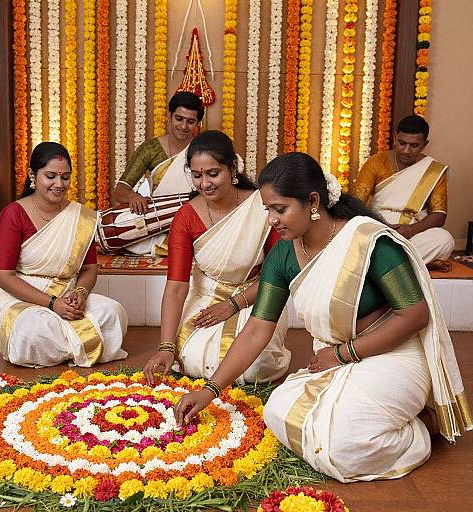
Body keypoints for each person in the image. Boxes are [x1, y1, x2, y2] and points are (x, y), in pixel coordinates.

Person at [175, 152, 472, 483]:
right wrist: (212, 388)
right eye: (267, 210)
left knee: (343, 446)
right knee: (277, 410)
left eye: (280, 209)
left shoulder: (366, 240)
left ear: (312, 201)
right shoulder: (284, 254)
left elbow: (415, 314)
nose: (271, 219)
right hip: (336, 358)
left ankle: (421, 427)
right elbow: (257, 328)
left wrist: (344, 354)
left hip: (393, 352)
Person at [144, 131, 290, 385]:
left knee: (255, 365)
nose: (205, 183)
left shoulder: (261, 207)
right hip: (206, 297)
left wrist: (233, 304)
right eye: (197, 175)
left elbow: (278, 276)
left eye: (213, 174)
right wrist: (166, 346)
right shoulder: (186, 216)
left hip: (258, 295)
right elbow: (177, 287)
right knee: (190, 357)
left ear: (232, 167)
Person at [0, 142, 128, 367]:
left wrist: (81, 293)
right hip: (23, 299)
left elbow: (89, 269)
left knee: (113, 312)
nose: (59, 184)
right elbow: (3, 276)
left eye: (65, 177)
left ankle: (62, 349)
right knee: (33, 330)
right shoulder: (13, 215)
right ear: (32, 175)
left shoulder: (80, 216)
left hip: (68, 294)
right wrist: (52, 303)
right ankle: (79, 347)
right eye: (51, 176)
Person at [352, 115, 454, 265]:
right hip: (379, 226)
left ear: (424, 144)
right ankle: (413, 263)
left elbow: (439, 215)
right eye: (402, 143)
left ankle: (382, 264)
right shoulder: (376, 162)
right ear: (395, 138)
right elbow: (356, 204)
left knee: (444, 239)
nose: (406, 150)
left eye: (414, 146)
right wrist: (380, 226)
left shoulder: (433, 170)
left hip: (413, 233)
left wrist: (411, 230)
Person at [112, 91, 205, 255]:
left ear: (198, 123)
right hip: (159, 223)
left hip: (195, 220)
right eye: (179, 119)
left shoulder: (203, 150)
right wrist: (133, 197)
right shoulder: (151, 149)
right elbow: (120, 191)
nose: (184, 126)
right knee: (127, 236)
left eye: (190, 121)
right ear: (169, 116)